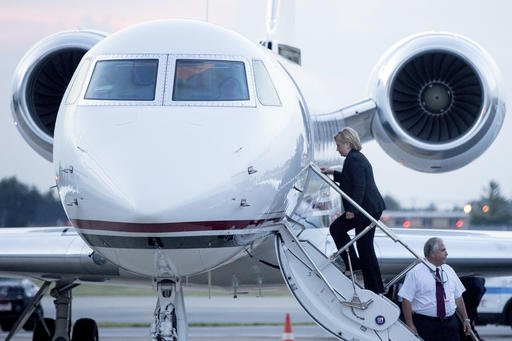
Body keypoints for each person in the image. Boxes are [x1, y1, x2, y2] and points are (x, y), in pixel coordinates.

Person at [321, 127, 385, 294]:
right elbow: (350, 179)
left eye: (338, 145)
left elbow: (359, 186)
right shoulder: (354, 158)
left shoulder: (354, 159)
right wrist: (333, 172)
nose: (337, 148)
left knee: (339, 230)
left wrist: (352, 209)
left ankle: (368, 280)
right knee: (364, 245)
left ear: (347, 144)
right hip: (367, 208)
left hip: (365, 209)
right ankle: (372, 284)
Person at [398, 237, 472, 341]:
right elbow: (406, 300)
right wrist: (410, 324)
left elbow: (458, 297)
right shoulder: (415, 273)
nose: (447, 253)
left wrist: (466, 319)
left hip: (450, 324)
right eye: (443, 250)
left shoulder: (449, 270)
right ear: (432, 253)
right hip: (426, 325)